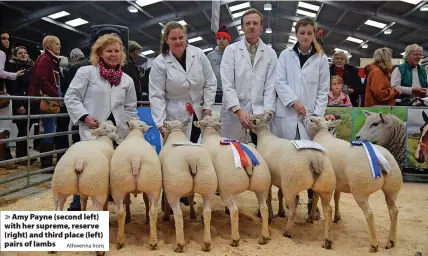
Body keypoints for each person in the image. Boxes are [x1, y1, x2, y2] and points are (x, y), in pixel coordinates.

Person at [64, 33, 138, 211]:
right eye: (109, 51)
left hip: (117, 133)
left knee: (114, 166)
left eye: (117, 51)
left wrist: (130, 128)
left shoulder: (127, 80)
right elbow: (71, 97)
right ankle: (76, 205)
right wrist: (85, 117)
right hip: (93, 130)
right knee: (85, 167)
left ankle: (111, 198)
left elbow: (130, 108)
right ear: (99, 53)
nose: (113, 54)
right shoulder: (87, 73)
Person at [270, 16, 330, 218]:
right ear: (296, 34)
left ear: (314, 34)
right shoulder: (285, 55)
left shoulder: (321, 59)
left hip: (309, 118)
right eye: (302, 33)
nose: (305, 36)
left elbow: (323, 90)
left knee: (311, 161)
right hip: (286, 114)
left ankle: (313, 203)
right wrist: (294, 102)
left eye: (309, 33)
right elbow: (279, 81)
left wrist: (316, 117)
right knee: (286, 161)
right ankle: (288, 200)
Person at [149, 21, 217, 140]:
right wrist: (160, 123)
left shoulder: (198, 54)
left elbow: (210, 81)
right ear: (166, 39)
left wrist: (208, 105)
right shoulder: (159, 63)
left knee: (196, 147)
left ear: (185, 37)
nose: (178, 41)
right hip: (174, 116)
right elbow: (156, 95)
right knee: (176, 151)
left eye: (181, 37)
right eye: (173, 38)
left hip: (199, 111)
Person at [220, 8, 277, 145]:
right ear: (242, 27)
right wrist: (238, 110)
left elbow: (271, 86)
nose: (251, 27)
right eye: (247, 23)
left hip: (260, 114)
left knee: (260, 155)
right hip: (234, 114)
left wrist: (268, 113)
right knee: (232, 156)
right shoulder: (231, 51)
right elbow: (227, 84)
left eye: (255, 23)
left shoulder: (270, 53)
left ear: (261, 27)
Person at [28, 35, 61, 169]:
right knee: (49, 129)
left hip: (46, 98)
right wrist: (55, 92)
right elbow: (40, 78)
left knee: (49, 129)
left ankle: (47, 161)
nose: (60, 46)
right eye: (57, 44)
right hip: (45, 99)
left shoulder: (49, 59)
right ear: (49, 46)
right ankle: (46, 163)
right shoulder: (46, 59)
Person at [6, 46, 38, 165]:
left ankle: (24, 156)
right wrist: (18, 104)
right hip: (20, 102)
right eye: (20, 53)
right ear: (15, 55)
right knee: (22, 130)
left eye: (25, 53)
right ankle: (21, 157)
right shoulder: (13, 66)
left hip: (29, 102)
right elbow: (13, 88)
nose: (23, 54)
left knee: (26, 130)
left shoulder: (31, 67)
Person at [0, 29, 24, 167]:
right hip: (1, 93)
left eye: (8, 38)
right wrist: (15, 75)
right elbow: (0, 72)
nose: (6, 41)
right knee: (4, 127)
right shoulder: (1, 53)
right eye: (3, 38)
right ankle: (3, 160)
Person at [207, 24, 231, 103]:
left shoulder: (234, 55)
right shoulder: (210, 56)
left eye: (224, 38)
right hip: (215, 93)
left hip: (230, 93)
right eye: (219, 38)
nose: (221, 40)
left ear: (228, 40)